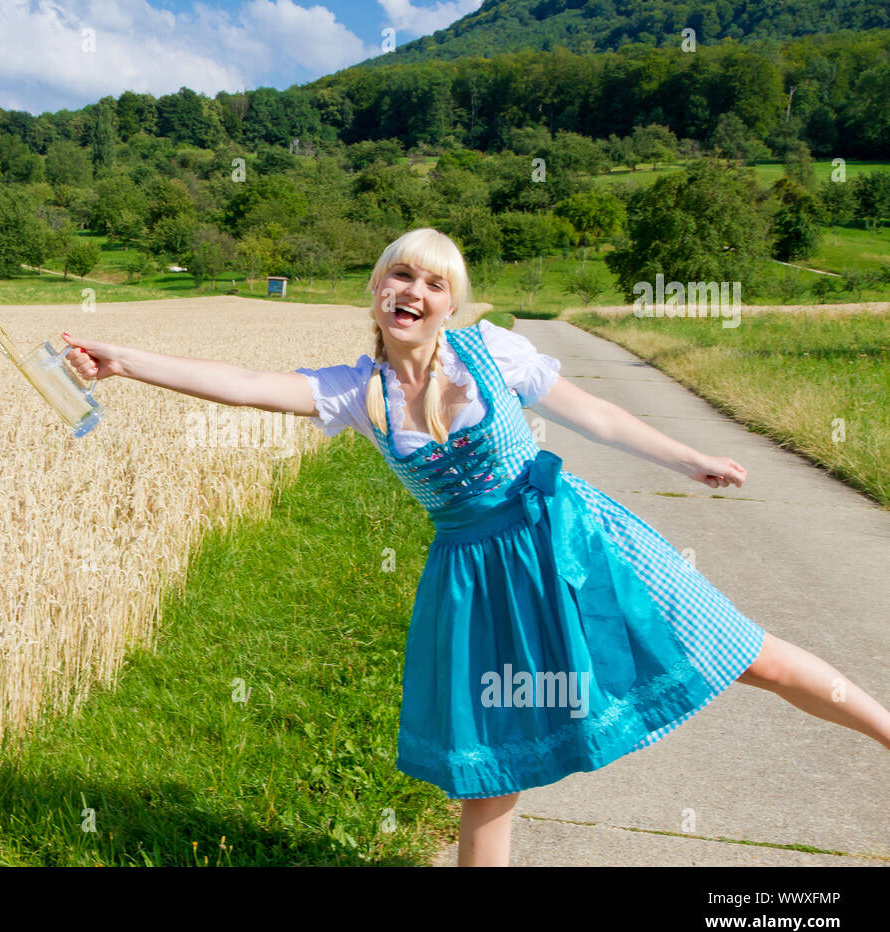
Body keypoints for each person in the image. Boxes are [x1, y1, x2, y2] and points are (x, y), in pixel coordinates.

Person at [59, 227, 890, 866]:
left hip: (575, 543)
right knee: (491, 770)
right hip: (475, 581)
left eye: (433, 280)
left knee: (744, 652)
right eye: (399, 274)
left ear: (452, 302)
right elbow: (239, 385)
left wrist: (692, 458)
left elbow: (592, 414)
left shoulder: (496, 354)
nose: (412, 289)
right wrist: (124, 361)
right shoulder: (357, 390)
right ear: (375, 290)